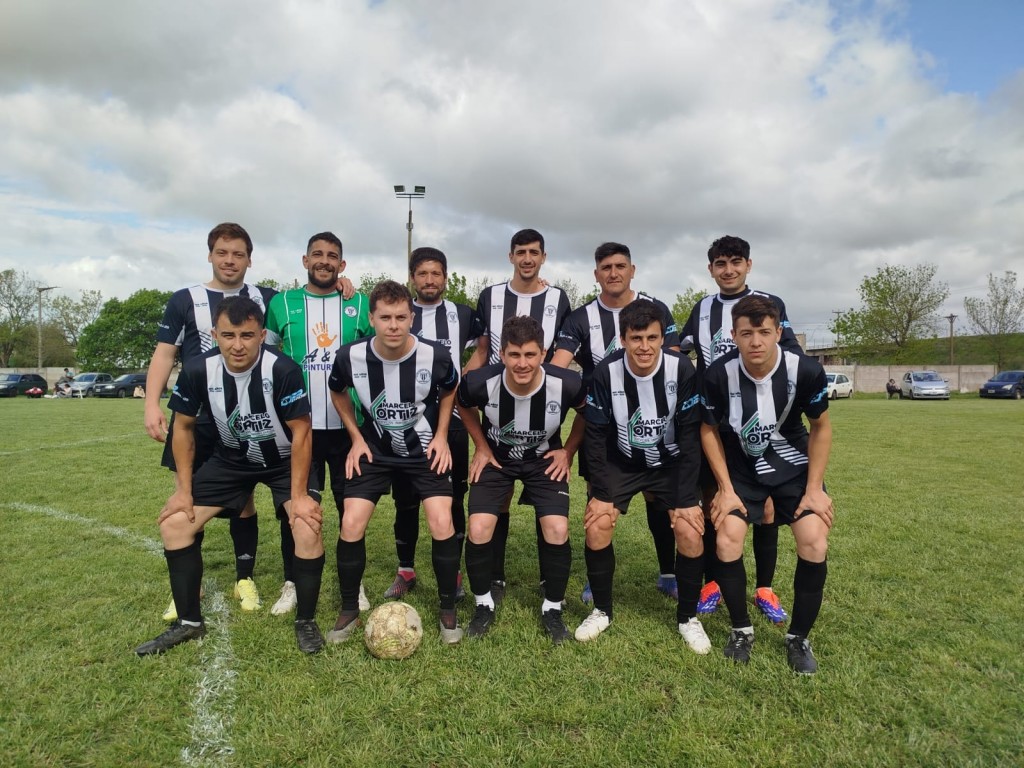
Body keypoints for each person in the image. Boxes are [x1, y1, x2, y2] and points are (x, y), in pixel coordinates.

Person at [135, 297, 327, 656]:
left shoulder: (282, 369)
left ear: (262, 335)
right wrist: (183, 490)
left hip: (285, 460)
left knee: (306, 526)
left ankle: (306, 621)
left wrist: (299, 496)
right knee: (176, 524)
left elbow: (302, 432)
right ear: (214, 335)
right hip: (233, 459)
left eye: (247, 335)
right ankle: (189, 623)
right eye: (228, 335)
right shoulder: (197, 369)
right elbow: (184, 428)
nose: (237, 345)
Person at [144, 223, 277, 619]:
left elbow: (307, 305)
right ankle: (190, 585)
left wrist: (344, 285)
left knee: (245, 499)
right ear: (210, 255)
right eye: (223, 252)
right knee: (188, 499)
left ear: (250, 260)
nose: (230, 260)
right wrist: (152, 403)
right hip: (197, 417)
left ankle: (245, 577)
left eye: (238, 254)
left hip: (247, 418)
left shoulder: (267, 298)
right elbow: (165, 353)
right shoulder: (185, 299)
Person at [700, 294, 833, 674]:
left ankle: (798, 638)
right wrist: (725, 488)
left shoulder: (804, 370)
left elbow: (820, 428)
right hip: (742, 470)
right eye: (746, 333)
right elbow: (707, 431)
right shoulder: (717, 374)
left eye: (763, 332)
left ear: (778, 332)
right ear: (734, 336)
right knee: (726, 538)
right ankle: (741, 630)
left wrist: (814, 489)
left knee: (814, 539)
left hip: (794, 469)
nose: (755, 341)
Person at [326, 280, 463, 644]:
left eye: (401, 317)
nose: (393, 325)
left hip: (423, 451)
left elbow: (451, 389)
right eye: (385, 317)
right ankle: (349, 609)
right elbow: (336, 390)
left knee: (441, 519)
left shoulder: (435, 356)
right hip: (374, 450)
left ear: (411, 317)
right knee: (351, 522)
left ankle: (448, 609)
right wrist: (355, 437)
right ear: (371, 318)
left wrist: (441, 435)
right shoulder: (349, 356)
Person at [679, 235, 803, 624]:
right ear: (711, 269)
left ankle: (764, 586)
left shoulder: (769, 304)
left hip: (760, 422)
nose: (728, 269)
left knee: (766, 507)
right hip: (716, 423)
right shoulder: (701, 309)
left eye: (735, 261)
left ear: (749, 264)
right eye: (720, 263)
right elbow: (677, 350)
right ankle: (715, 581)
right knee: (717, 498)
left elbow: (793, 356)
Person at [552, 241, 681, 603]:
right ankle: (597, 580)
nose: (614, 273)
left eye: (620, 266)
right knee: (599, 500)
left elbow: (672, 363)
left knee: (659, 499)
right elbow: (559, 367)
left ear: (632, 270)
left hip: (655, 424)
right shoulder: (580, 319)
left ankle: (668, 571)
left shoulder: (656, 309)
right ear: (596, 275)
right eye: (606, 267)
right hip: (605, 426)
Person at [574, 300, 707, 652]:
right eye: (636, 338)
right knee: (598, 523)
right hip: (623, 461)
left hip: (671, 461)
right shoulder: (605, 373)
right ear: (623, 339)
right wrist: (601, 493)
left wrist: (686, 500)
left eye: (652, 337)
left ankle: (687, 617)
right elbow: (596, 437)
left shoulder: (682, 370)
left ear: (663, 337)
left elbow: (692, 436)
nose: (645, 346)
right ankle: (602, 610)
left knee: (690, 529)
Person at [458, 315, 586, 644]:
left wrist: (567, 452)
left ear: (543, 353)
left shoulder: (567, 383)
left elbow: (588, 414)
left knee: (557, 529)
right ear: (503, 355)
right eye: (514, 355)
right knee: (478, 527)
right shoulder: (480, 381)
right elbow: (461, 403)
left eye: (530, 354)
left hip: (544, 460)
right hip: (497, 458)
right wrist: (482, 446)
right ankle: (483, 604)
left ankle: (552, 608)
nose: (522, 363)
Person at [264, 231, 373, 615]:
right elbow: (268, 361)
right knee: (297, 508)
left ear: (342, 265)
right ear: (305, 260)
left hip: (348, 430)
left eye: (332, 257)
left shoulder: (359, 303)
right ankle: (293, 581)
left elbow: (376, 358)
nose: (324, 261)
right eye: (317, 255)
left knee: (351, 509)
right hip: (299, 431)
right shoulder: (280, 304)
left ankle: (353, 585)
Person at [465, 229, 572, 602]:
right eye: (521, 252)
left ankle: (550, 590)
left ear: (543, 257)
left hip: (537, 407)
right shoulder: (490, 296)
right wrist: (469, 379)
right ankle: (494, 575)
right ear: (510, 256)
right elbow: (482, 348)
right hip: (497, 403)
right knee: (498, 500)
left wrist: (546, 381)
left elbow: (563, 348)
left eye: (534, 253)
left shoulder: (558, 298)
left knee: (553, 520)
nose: (527, 259)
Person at [384, 247, 484, 601]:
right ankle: (406, 570)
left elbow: (485, 343)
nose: (430, 280)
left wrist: (463, 379)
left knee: (453, 497)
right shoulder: (399, 314)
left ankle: (452, 573)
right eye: (423, 273)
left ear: (445, 277)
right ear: (412, 277)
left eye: (436, 273)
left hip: (452, 422)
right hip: (406, 423)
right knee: (407, 501)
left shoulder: (462, 314)